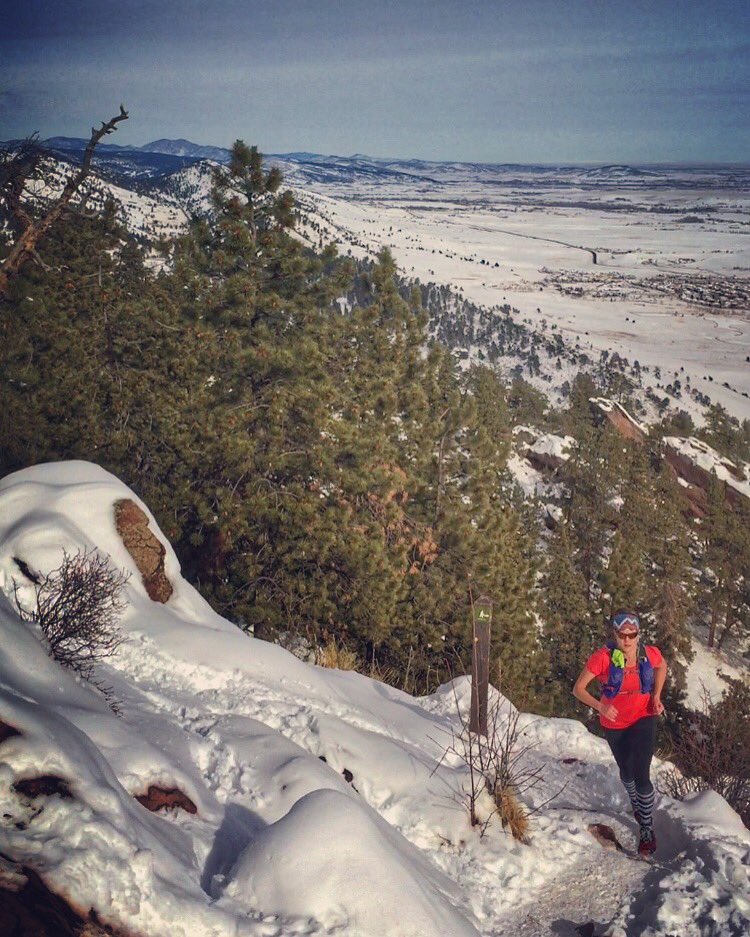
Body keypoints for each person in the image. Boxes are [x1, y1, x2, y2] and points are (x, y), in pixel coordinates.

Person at [572, 609, 668, 856]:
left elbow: (662, 666)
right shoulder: (603, 658)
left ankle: (646, 827)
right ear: (614, 634)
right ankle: (637, 805)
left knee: (641, 774)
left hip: (644, 717)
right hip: (614, 723)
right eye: (622, 635)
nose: (627, 640)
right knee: (626, 771)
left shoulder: (648, 653)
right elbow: (579, 689)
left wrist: (656, 695)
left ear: (638, 634)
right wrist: (601, 706)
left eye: (632, 634)